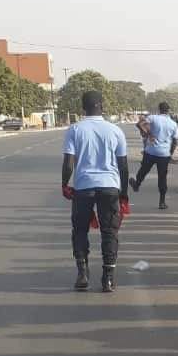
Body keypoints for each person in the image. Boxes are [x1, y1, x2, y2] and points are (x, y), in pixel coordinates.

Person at [62, 90, 130, 293]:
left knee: (80, 230)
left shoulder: (74, 130)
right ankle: (108, 277)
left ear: (83, 107)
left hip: (83, 186)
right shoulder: (115, 130)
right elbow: (123, 166)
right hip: (109, 186)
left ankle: (82, 273)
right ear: (102, 105)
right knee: (109, 232)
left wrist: (65, 184)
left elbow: (68, 162)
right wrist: (123, 193)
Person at [130, 102, 178, 210]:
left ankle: (137, 184)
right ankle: (162, 202)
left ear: (159, 109)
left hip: (151, 151)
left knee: (143, 170)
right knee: (162, 177)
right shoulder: (173, 124)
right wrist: (170, 153)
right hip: (164, 153)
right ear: (168, 110)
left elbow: (139, 124)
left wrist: (148, 134)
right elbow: (174, 141)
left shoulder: (153, 118)